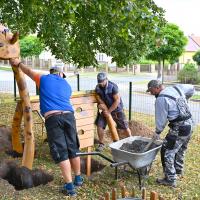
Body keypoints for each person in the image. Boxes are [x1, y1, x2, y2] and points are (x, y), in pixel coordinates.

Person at [9, 58, 83, 197]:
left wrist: (18, 63)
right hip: (69, 117)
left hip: (53, 118)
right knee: (73, 148)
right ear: (61, 74)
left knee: (61, 152)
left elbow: (28, 71)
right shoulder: (67, 85)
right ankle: (78, 178)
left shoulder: (43, 78)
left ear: (51, 72)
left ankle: (70, 187)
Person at [146, 79, 195, 187]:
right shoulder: (176, 88)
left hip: (180, 127)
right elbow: (192, 88)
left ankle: (170, 179)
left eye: (151, 90)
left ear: (157, 87)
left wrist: (158, 131)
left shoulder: (161, 98)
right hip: (190, 124)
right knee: (181, 148)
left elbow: (161, 119)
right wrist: (184, 100)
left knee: (167, 150)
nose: (151, 93)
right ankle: (178, 170)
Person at [95, 72, 131, 151]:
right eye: (99, 82)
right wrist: (100, 105)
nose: (101, 84)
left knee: (124, 127)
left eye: (102, 82)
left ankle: (131, 141)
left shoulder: (113, 87)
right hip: (105, 110)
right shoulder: (98, 87)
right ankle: (101, 144)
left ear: (106, 79)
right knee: (99, 126)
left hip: (116, 109)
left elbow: (117, 101)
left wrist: (109, 111)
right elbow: (98, 97)